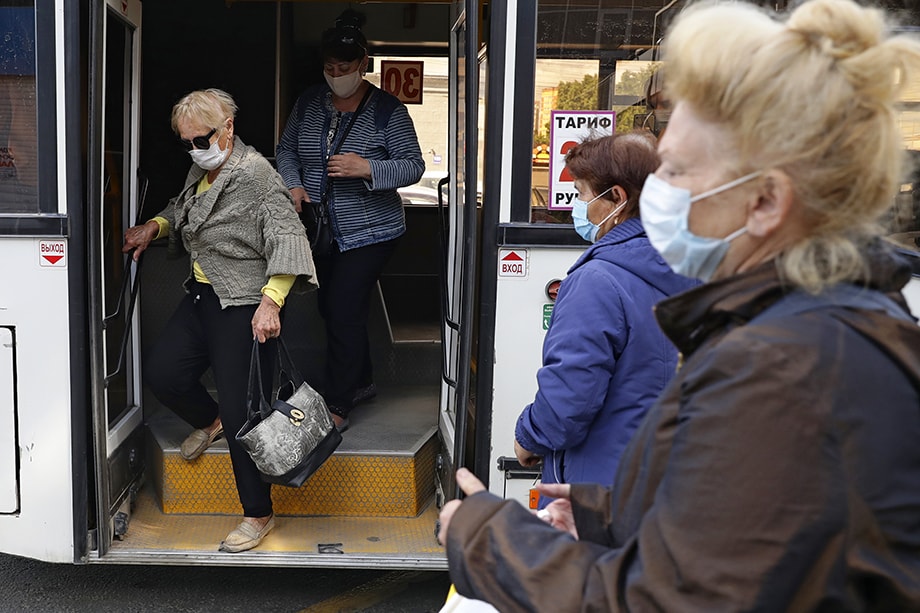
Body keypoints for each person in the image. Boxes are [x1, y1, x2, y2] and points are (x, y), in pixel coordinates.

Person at [437, 0, 920, 610]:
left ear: (766, 202)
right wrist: (599, 517)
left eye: (679, 172)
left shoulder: (780, 367)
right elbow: (753, 527)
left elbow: (666, 601)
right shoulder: (824, 325)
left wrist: (484, 539)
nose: (658, 196)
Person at [123, 88, 317, 553]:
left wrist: (272, 303)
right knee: (163, 373)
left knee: (244, 415)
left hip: (247, 305)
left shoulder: (257, 177)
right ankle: (208, 421)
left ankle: (258, 514)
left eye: (200, 139)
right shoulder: (204, 166)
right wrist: (155, 225)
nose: (193, 148)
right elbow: (184, 207)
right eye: (185, 142)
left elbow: (289, 238)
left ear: (227, 128)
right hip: (205, 295)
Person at [514, 132, 697, 506]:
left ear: (616, 197)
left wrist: (530, 436)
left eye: (582, 195)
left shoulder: (597, 281)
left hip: (598, 495)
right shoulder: (701, 266)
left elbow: (570, 397)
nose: (579, 207)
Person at [276, 9, 424, 433]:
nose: (336, 74)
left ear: (364, 65)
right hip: (321, 229)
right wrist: (293, 184)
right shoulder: (307, 103)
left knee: (342, 308)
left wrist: (368, 169)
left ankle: (339, 402)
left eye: (345, 68)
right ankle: (360, 381)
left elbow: (412, 166)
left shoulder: (387, 112)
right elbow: (285, 150)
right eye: (329, 68)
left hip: (372, 231)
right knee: (334, 306)